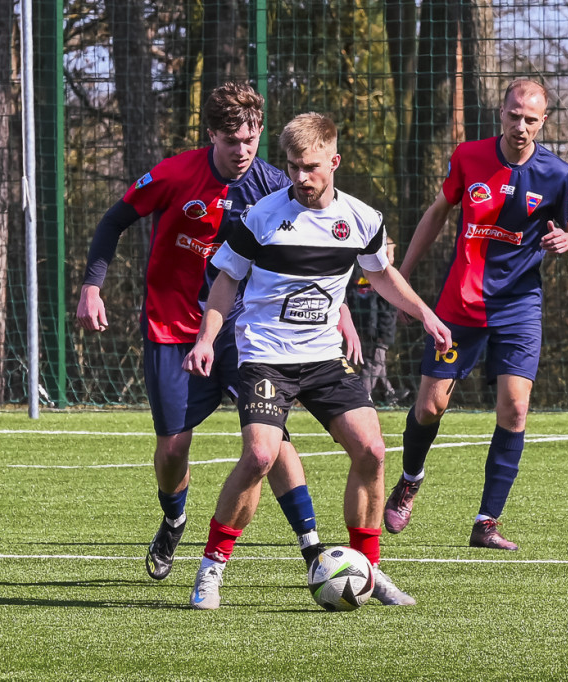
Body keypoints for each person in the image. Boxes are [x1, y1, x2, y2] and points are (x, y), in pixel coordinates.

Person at [77, 83, 361, 580]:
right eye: (232, 142)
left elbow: (318, 259)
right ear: (211, 135)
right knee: (172, 448)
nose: (243, 152)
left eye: (251, 142)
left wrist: (342, 316)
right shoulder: (174, 174)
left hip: (243, 331)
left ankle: (312, 545)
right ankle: (174, 517)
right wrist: (91, 286)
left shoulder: (275, 187)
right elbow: (114, 219)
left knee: (270, 439)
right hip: (171, 327)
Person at [182, 113, 452, 610]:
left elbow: (383, 275)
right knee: (261, 456)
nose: (300, 178)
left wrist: (426, 314)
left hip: (324, 357)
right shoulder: (260, 217)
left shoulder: (362, 219)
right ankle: (211, 569)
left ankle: (366, 570)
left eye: (309, 167)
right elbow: (224, 282)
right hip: (264, 356)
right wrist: (205, 339)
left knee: (371, 450)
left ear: (334, 161)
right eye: (291, 167)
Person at [383, 79, 568, 550]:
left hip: (519, 305)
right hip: (461, 302)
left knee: (515, 408)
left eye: (530, 119)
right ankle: (410, 479)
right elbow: (436, 214)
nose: (520, 125)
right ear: (501, 111)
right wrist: (402, 278)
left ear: (543, 122)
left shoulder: (557, 173)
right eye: (514, 115)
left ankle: (486, 522)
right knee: (431, 405)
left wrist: (566, 241)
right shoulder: (469, 157)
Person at [348, 239, 410, 406]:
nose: (392, 258)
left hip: (363, 325)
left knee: (377, 362)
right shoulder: (383, 276)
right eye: (390, 253)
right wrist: (384, 333)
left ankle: (389, 393)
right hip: (376, 329)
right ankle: (360, 398)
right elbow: (383, 310)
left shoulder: (358, 271)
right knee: (373, 364)